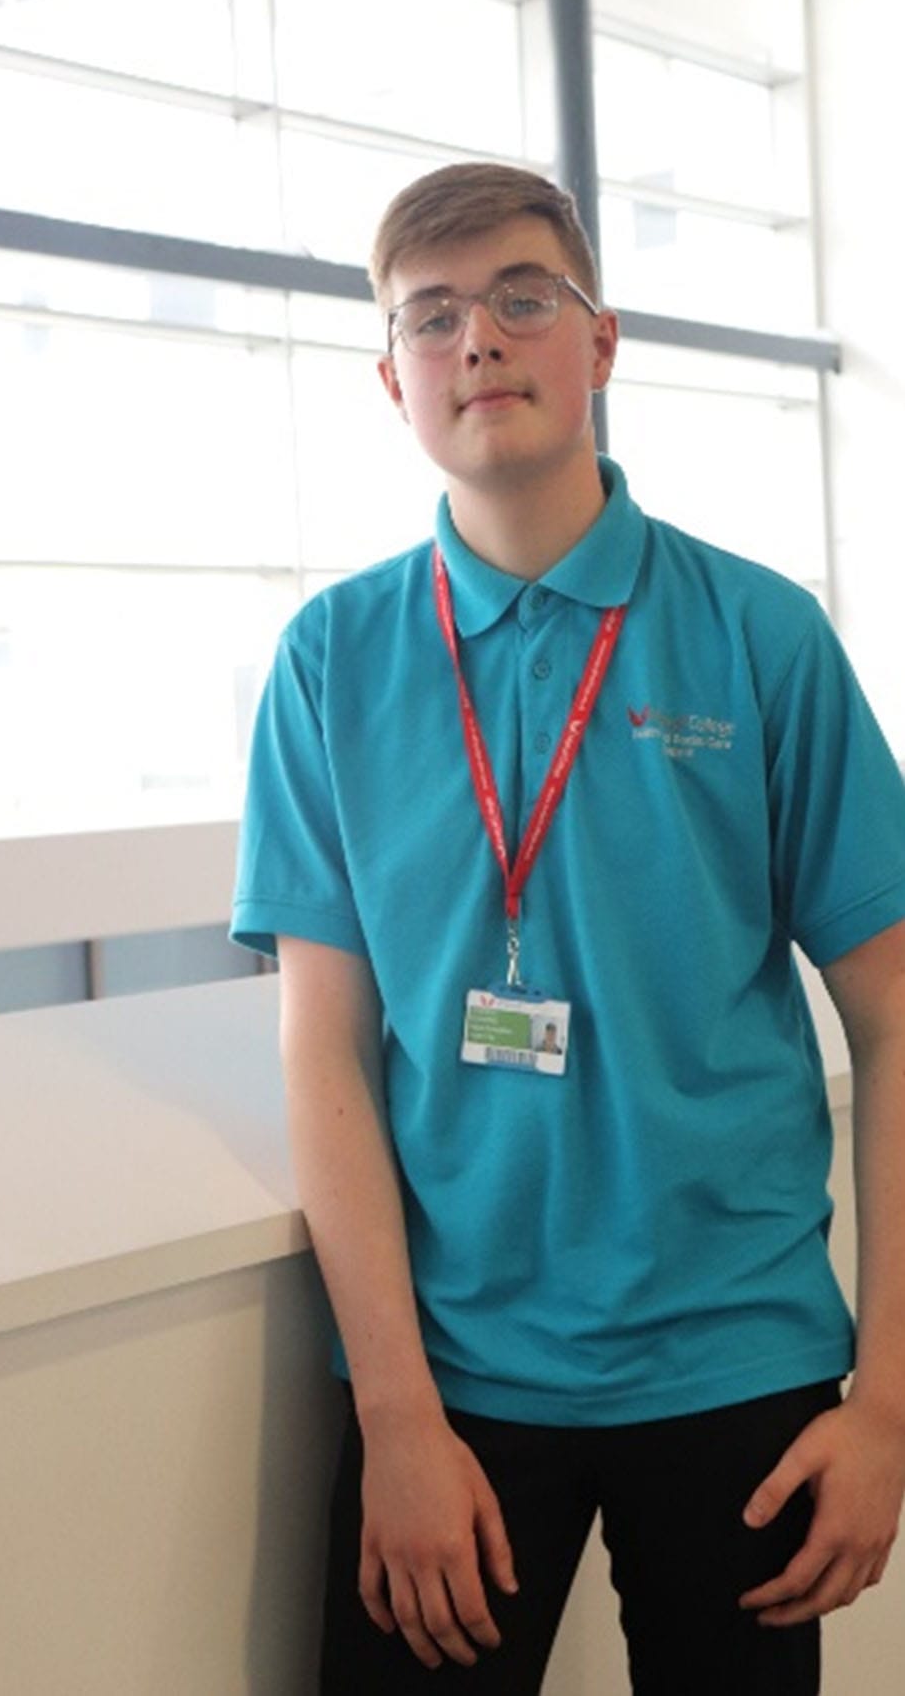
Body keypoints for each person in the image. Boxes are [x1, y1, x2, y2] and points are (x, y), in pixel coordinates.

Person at [234, 160, 905, 1692]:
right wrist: (395, 1413)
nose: (480, 340)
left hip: (742, 1365)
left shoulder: (759, 634)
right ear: (391, 375)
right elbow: (324, 1049)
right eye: (433, 315)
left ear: (601, 342)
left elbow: (897, 1014)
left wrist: (888, 1408)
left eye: (524, 297)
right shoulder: (331, 660)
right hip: (454, 1381)